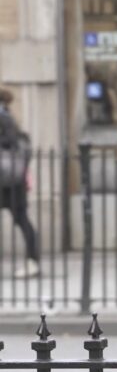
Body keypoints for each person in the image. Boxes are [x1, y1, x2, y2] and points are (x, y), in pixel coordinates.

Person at [0, 87, 40, 278]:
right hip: (9, 181)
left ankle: (33, 262)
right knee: (22, 219)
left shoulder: (4, 117)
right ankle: (33, 261)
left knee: (22, 219)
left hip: (9, 181)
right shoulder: (5, 115)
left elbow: (11, 142)